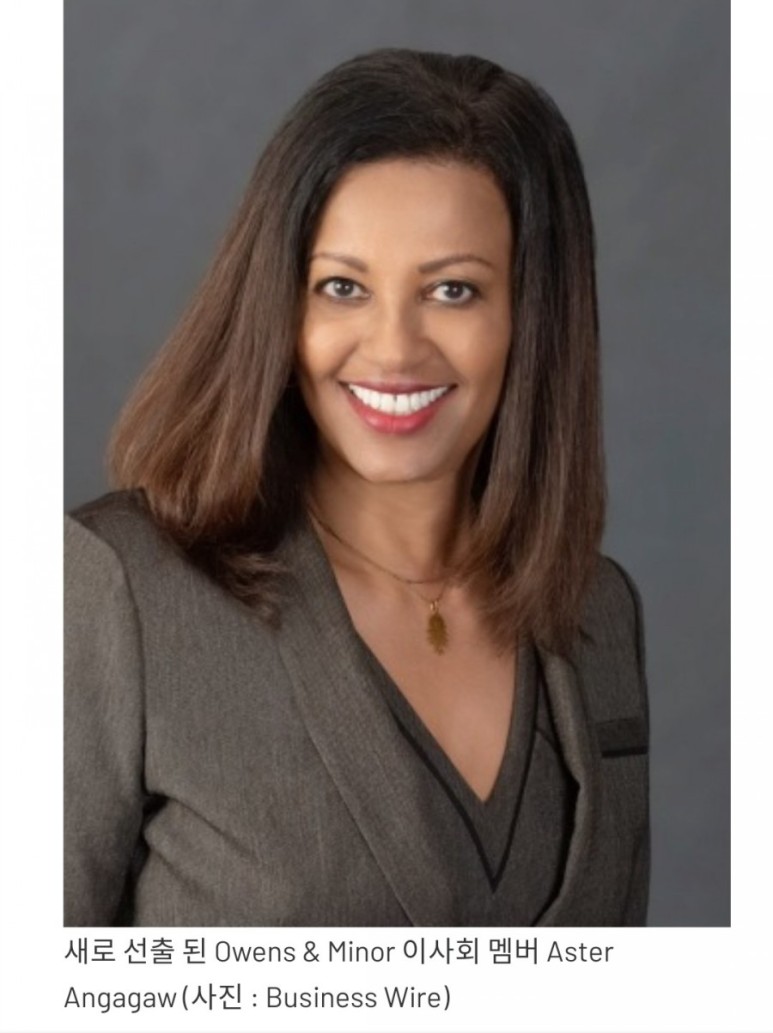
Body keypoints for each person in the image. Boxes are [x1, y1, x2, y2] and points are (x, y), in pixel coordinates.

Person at [65, 48, 649, 927]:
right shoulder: (117, 591)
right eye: (341, 286)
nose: (392, 349)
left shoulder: (595, 611)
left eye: (452, 290)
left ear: (533, 313)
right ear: (277, 304)